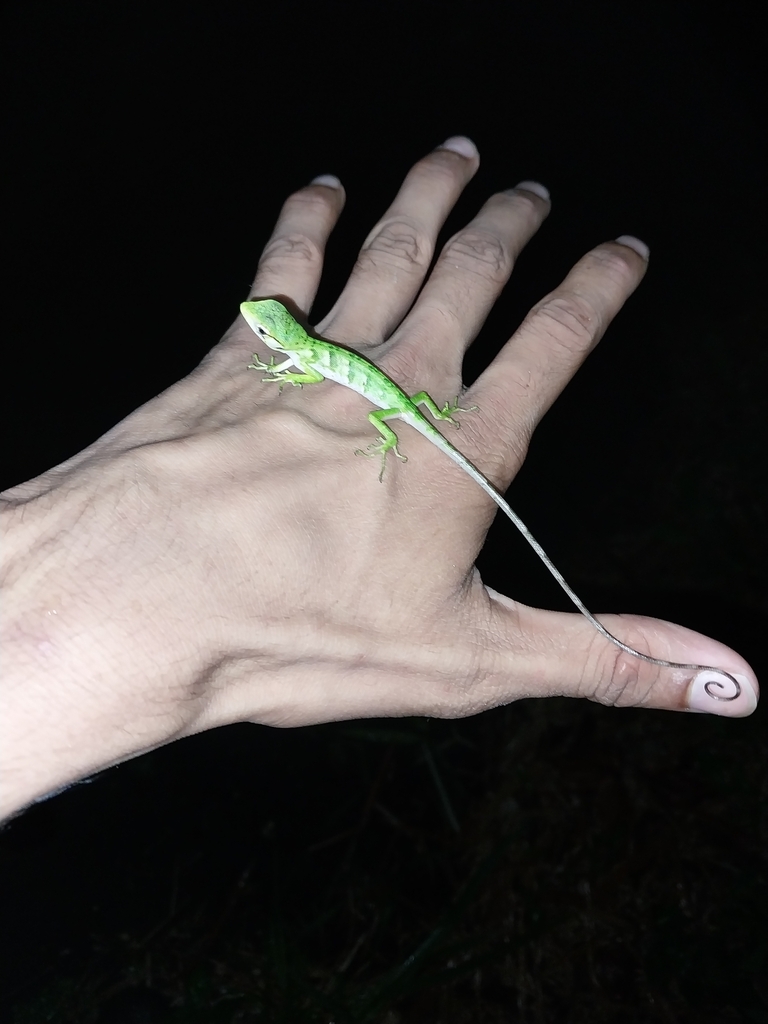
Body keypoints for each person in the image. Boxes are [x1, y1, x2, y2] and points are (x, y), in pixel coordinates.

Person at [0, 137, 757, 821]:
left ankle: (394, 443)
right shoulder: (302, 350)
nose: (266, 332)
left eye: (267, 329)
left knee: (395, 426)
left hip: (400, 413)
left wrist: (372, 423)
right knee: (395, 414)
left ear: (281, 334)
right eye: (269, 330)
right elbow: (302, 363)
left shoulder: (305, 353)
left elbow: (307, 367)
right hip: (402, 403)